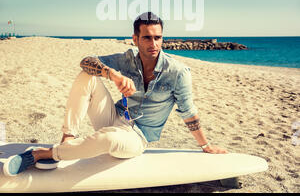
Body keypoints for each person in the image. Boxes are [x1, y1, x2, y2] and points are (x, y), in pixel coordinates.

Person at [3, 12, 227, 176]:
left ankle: (41, 154)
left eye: (158, 37)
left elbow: (188, 113)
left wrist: (205, 146)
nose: (154, 43)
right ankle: (67, 141)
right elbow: (86, 61)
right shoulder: (127, 59)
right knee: (87, 76)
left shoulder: (178, 73)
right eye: (147, 38)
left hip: (137, 137)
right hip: (113, 117)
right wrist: (113, 75)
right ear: (135, 39)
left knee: (109, 139)